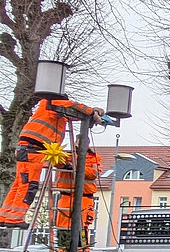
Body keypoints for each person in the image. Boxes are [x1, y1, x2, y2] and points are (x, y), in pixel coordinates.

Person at [0, 98, 102, 229]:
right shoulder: (52, 101)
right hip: (34, 149)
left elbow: (73, 114)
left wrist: (93, 114)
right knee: (28, 185)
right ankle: (15, 217)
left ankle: (6, 216)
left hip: (29, 149)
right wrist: (91, 111)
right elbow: (72, 105)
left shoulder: (55, 113)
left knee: (20, 183)